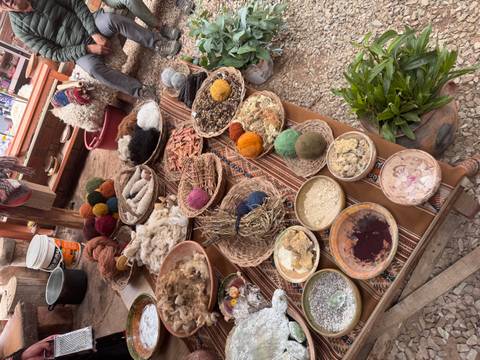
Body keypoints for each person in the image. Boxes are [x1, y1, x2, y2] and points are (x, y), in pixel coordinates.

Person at [2, 0, 181, 98]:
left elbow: (75, 3)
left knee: (111, 19)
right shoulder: (19, 29)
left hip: (89, 23)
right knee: (95, 70)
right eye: (3, 3)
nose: (8, 2)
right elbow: (53, 53)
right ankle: (140, 90)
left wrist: (94, 33)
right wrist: (88, 48)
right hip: (78, 50)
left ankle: (158, 43)